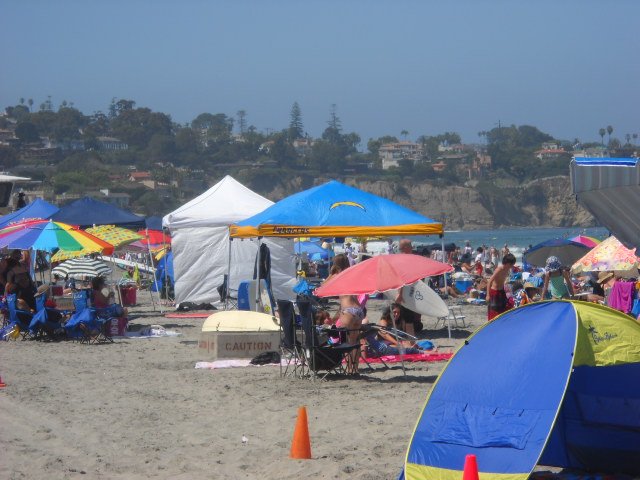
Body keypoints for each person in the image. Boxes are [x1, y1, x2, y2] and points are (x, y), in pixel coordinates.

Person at [486, 253, 517, 321]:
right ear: (507, 263)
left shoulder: (507, 269)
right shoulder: (499, 269)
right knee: (494, 311)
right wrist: (488, 295)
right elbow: (489, 282)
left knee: (504, 309)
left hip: (501, 291)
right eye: (511, 264)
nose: (512, 266)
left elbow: (502, 281)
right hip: (494, 292)